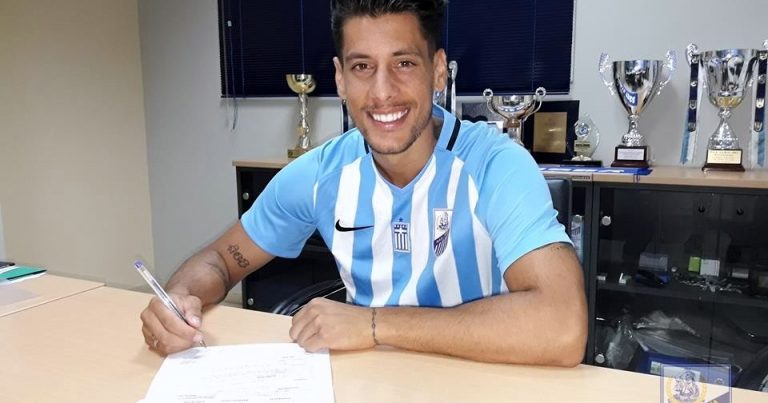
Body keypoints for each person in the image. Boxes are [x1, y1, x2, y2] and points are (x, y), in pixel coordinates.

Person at [140, 0, 587, 366]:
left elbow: (563, 326)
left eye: (404, 63)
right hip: (366, 382)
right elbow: (220, 259)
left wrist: (374, 324)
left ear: (438, 70)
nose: (382, 92)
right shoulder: (320, 175)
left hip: (482, 381)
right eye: (362, 67)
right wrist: (179, 299)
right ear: (339, 78)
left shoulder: (495, 165)